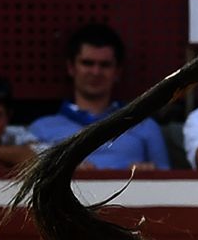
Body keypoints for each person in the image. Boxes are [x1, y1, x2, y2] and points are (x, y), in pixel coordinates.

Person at [25, 23, 170, 170]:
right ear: (71, 67)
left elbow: (168, 184)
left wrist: (147, 175)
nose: (96, 72)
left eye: (104, 65)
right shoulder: (41, 129)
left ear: (117, 71)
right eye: (87, 63)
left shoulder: (145, 126)